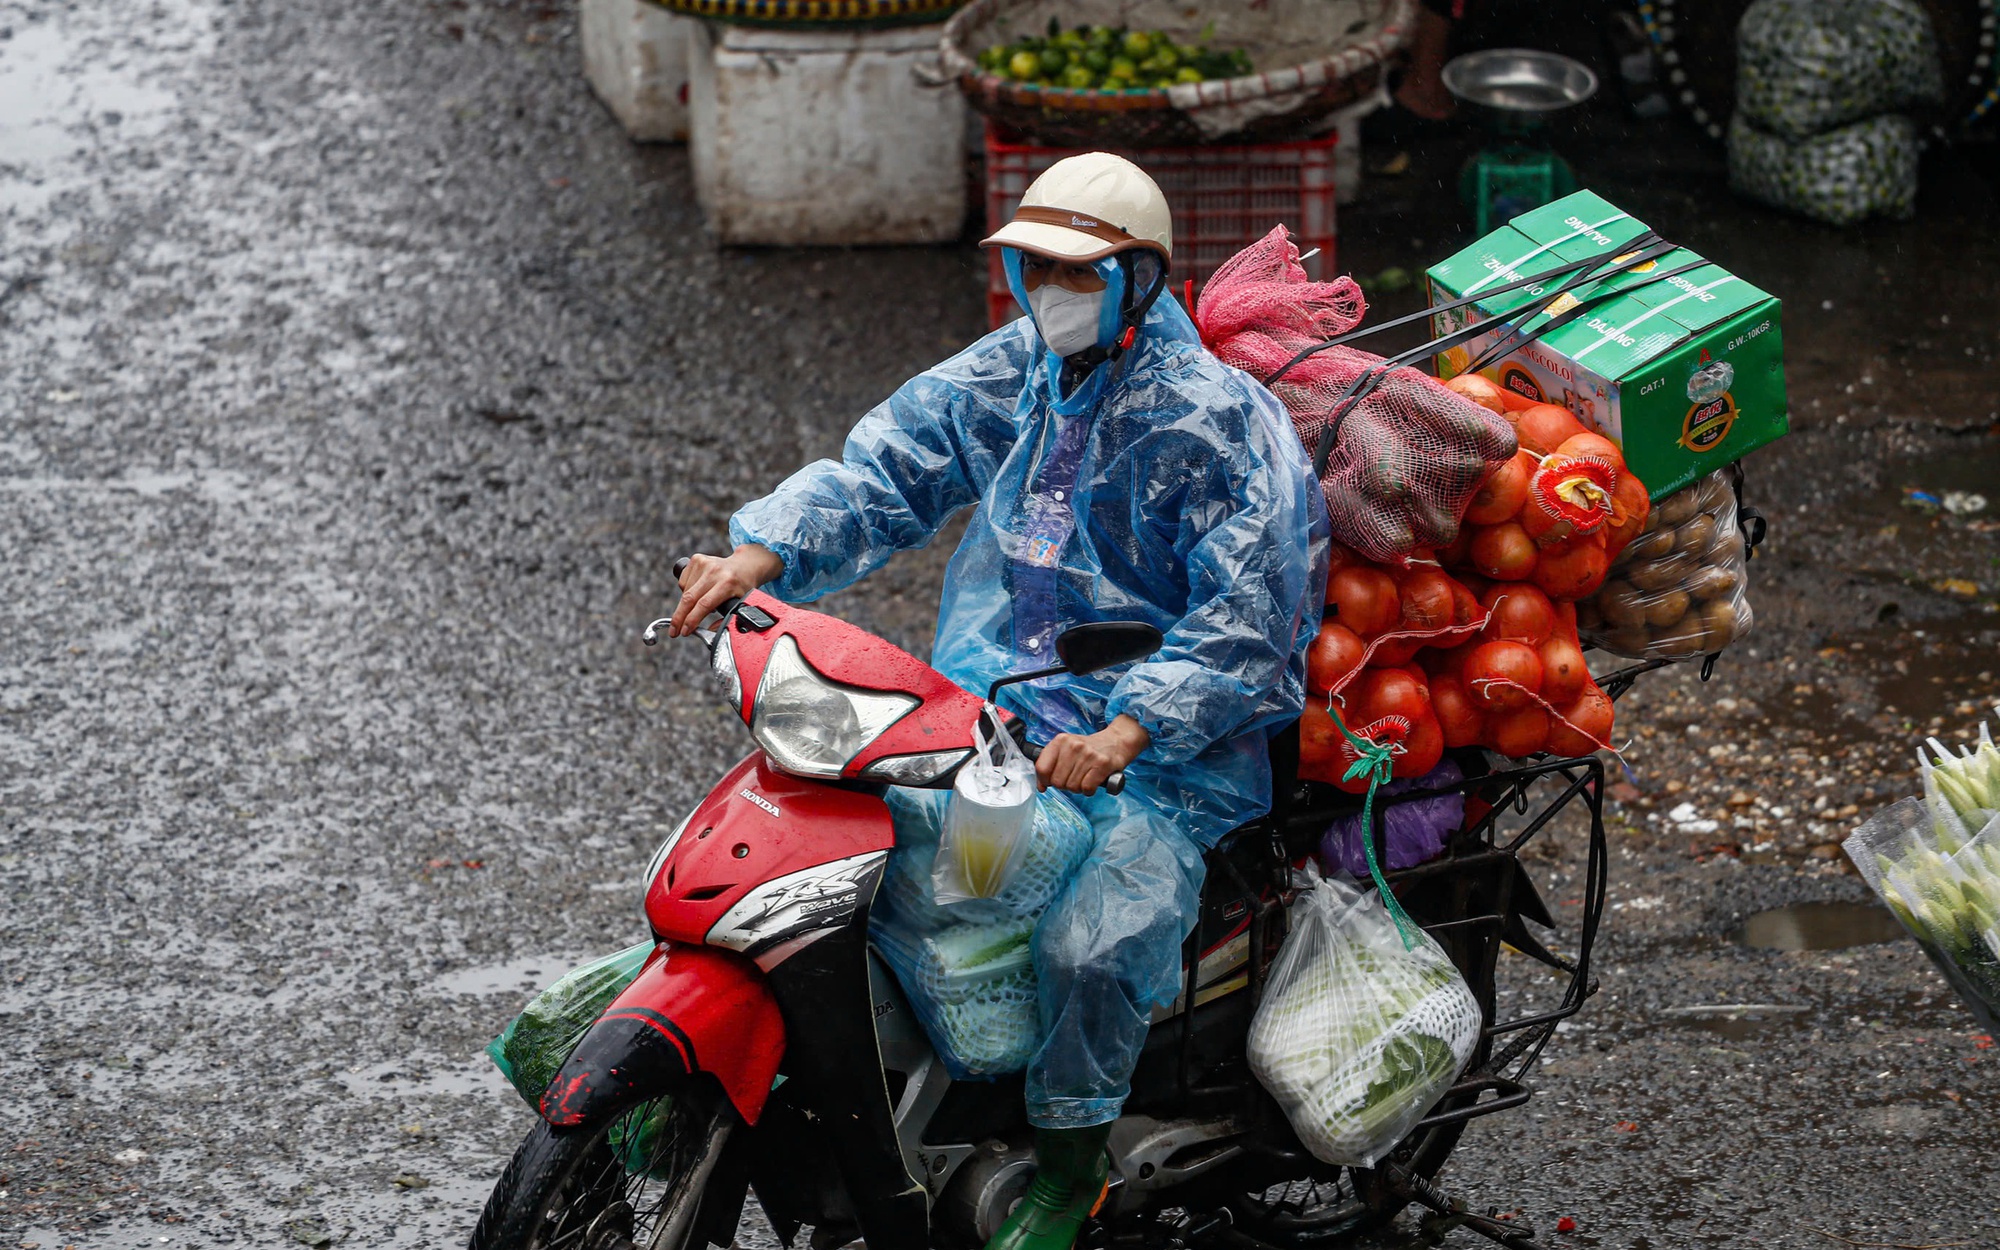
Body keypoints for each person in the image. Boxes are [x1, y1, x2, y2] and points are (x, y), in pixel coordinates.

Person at [668, 153, 1326, 1250]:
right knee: (859, 869)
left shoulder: (1220, 420)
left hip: (1166, 758)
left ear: (1138, 279)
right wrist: (762, 552)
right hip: (997, 707)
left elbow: (1251, 616)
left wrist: (1130, 727)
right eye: (1035, 268)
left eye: (1077, 273)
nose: (1049, 291)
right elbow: (893, 464)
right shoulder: (1018, 369)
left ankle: (1067, 1170)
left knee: (1089, 943)